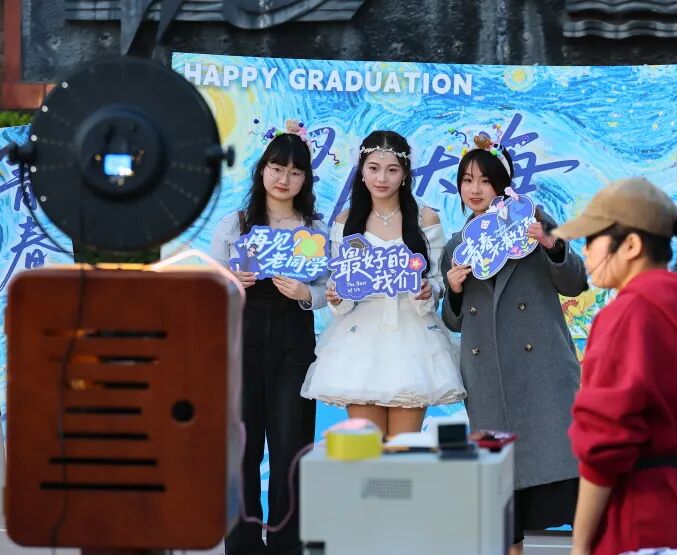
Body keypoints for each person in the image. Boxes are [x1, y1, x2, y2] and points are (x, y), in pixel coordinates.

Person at [553, 177, 677, 555]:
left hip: (645, 523)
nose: (586, 251)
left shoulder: (628, 313)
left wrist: (580, 545)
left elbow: (604, 446)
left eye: (592, 239)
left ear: (631, 245)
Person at [440, 138, 586, 554]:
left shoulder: (532, 224)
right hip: (489, 380)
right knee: (503, 504)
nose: (475, 189)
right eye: (467, 180)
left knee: (573, 494)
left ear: (503, 186)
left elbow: (575, 282)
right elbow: (454, 322)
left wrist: (552, 245)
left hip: (543, 374)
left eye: (485, 180)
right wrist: (452, 291)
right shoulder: (457, 246)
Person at [210, 122, 327, 555]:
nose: (284, 179)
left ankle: (285, 545)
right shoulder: (236, 224)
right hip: (241, 345)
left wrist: (306, 293)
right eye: (277, 168)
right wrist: (230, 281)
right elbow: (210, 288)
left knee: (291, 449)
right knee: (241, 450)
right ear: (262, 170)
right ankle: (241, 545)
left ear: (305, 179)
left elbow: (330, 289)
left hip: (293, 347)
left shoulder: (315, 230)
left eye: (295, 172)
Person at [300, 130, 465, 436]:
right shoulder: (345, 221)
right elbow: (340, 283)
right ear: (361, 171)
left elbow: (437, 281)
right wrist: (337, 296)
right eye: (373, 168)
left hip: (412, 335)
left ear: (404, 174)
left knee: (403, 449)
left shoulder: (425, 218)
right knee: (367, 450)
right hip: (359, 338)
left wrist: (429, 291)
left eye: (392, 170)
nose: (382, 178)